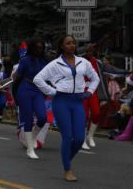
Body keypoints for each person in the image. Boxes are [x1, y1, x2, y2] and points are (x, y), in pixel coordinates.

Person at [33, 35, 99, 182]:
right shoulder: (55, 64)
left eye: (73, 43)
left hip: (78, 101)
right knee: (67, 137)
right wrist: (52, 92)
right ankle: (67, 169)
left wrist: (89, 92)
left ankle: (66, 158)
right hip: (61, 101)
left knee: (80, 138)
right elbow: (38, 79)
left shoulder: (84, 62)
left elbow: (95, 78)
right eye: (68, 43)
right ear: (62, 46)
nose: (71, 45)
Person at [12, 38, 47, 159]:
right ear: (32, 48)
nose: (39, 50)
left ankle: (31, 138)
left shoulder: (43, 61)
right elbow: (17, 76)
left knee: (43, 117)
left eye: (41, 48)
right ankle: (30, 149)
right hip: (25, 89)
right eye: (37, 47)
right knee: (28, 120)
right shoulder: (25, 60)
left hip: (38, 91)